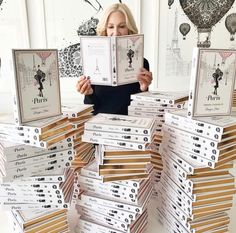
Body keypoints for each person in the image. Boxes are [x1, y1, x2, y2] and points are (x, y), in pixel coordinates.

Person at [76, 3, 152, 115]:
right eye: (111, 27)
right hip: (100, 126)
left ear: (129, 29)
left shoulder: (141, 63)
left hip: (129, 125)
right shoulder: (92, 61)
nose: (116, 33)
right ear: (105, 30)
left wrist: (144, 89)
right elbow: (91, 108)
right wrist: (88, 93)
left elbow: (142, 109)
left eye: (122, 26)